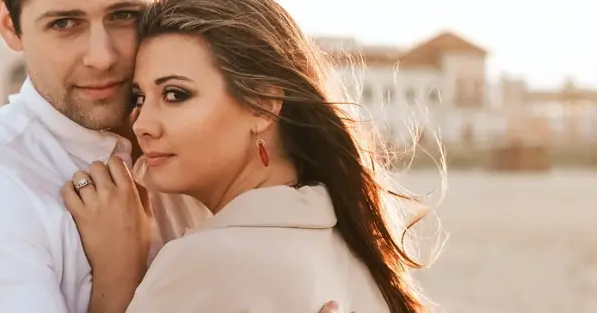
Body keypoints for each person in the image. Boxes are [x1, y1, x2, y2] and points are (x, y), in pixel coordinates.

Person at [0, 0, 346, 312]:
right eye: (65, 23)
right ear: (10, 25)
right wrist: (118, 283)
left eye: (123, 15)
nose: (102, 57)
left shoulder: (196, 158)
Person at [61, 0, 439, 312]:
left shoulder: (206, 264)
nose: (142, 123)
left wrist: (116, 277)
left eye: (175, 94)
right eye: (140, 98)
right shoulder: (346, 246)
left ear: (262, 105)